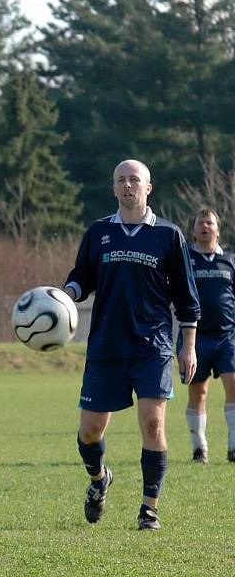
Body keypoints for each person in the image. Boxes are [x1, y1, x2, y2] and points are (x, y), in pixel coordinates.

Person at [63, 159, 200, 531]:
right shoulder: (98, 232)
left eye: (134, 180)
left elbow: (187, 299)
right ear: (113, 189)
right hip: (106, 344)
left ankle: (149, 509)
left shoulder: (168, 235)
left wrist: (188, 346)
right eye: (121, 180)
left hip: (152, 347)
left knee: (153, 424)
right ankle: (98, 480)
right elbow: (81, 277)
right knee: (90, 430)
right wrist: (65, 296)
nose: (127, 186)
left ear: (148, 188)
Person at [181, 208, 235, 464]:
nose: (205, 226)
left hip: (227, 337)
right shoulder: (184, 260)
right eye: (200, 222)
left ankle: (233, 447)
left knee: (233, 385)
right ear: (193, 230)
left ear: (217, 229)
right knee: (198, 393)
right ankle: (199, 448)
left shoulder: (230, 261)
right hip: (195, 338)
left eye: (209, 222)